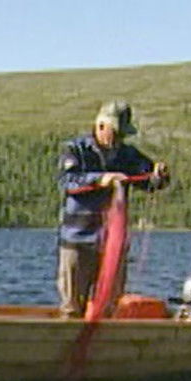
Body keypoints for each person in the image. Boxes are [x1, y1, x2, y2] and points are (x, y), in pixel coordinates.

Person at [55, 100, 170, 316]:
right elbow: (67, 181)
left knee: (109, 308)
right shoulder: (75, 150)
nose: (118, 140)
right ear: (100, 126)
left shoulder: (128, 155)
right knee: (71, 310)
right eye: (114, 133)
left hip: (112, 247)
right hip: (77, 243)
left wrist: (159, 175)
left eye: (122, 135)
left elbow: (150, 182)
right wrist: (101, 180)